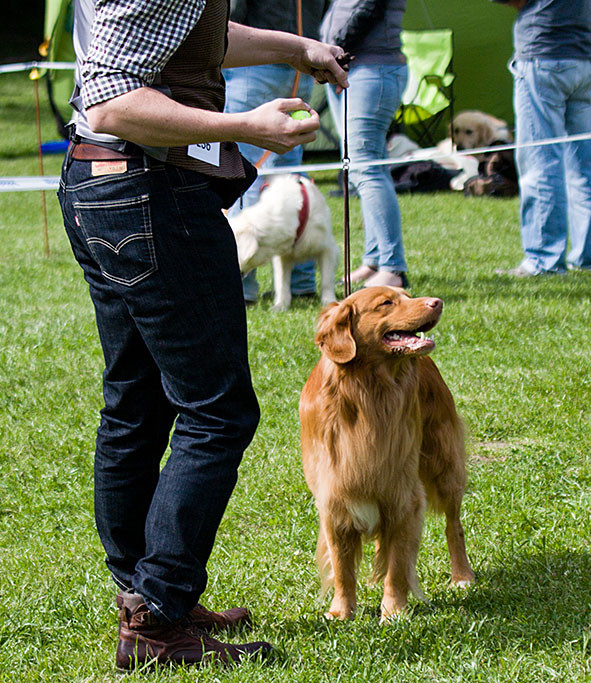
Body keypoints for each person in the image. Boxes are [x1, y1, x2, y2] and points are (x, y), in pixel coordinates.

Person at [57, 0, 348, 669]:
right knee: (216, 411)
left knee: (138, 402)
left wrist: (296, 50)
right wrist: (246, 125)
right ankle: (157, 613)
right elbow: (112, 104)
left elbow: (192, 37)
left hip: (99, 183)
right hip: (148, 190)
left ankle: (146, 596)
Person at [224, 0, 328, 305]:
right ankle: (302, 281)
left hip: (252, 64)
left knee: (242, 175)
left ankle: (241, 286)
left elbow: (230, 13)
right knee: (291, 178)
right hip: (299, 67)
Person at [494, 0, 591, 277]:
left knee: (541, 162)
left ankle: (543, 260)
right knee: (583, 163)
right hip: (583, 57)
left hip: (543, 56)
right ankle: (589, 258)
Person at [322, 0, 410, 289]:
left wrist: (335, 52)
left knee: (366, 169)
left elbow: (369, 8)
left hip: (371, 68)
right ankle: (374, 261)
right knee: (366, 168)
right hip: (359, 68)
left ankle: (392, 267)